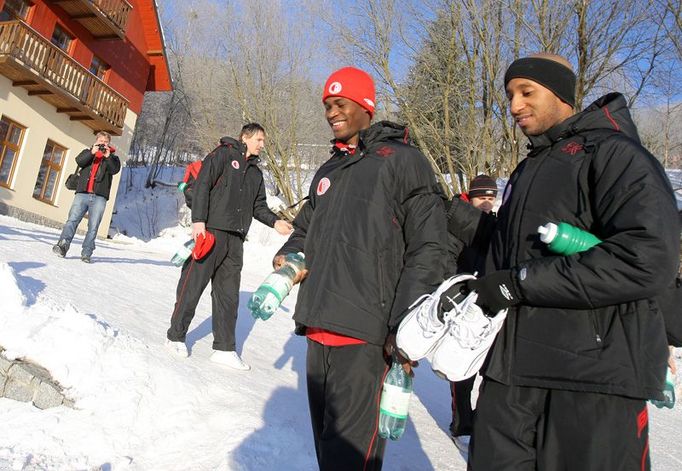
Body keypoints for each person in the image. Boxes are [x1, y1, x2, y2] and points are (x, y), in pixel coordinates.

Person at [442, 53, 680, 470]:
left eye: (526, 92)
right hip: (511, 379)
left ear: (561, 94)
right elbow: (511, 251)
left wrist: (519, 283)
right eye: (510, 94)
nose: (514, 105)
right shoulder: (528, 168)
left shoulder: (613, 154)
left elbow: (646, 257)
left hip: (591, 383)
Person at [273, 67, 447, 470]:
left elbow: (429, 248)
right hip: (318, 329)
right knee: (328, 455)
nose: (332, 112)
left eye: (340, 103)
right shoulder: (328, 170)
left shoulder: (404, 161)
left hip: (366, 337)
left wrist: (404, 327)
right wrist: (290, 254)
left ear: (366, 106)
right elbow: (305, 230)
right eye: (327, 106)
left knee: (349, 461)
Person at [165, 123, 293, 370]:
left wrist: (275, 222)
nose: (262, 144)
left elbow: (258, 207)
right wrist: (199, 221)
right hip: (211, 232)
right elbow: (202, 184)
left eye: (263, 140)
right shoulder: (222, 154)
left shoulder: (256, 173)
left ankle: (224, 348)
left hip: (236, 240)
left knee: (228, 296)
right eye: (259, 139)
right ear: (245, 137)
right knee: (192, 286)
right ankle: (175, 336)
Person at [446, 174, 497, 453]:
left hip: (490, 307)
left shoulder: (498, 225)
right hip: (463, 303)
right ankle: (462, 424)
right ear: (471, 197)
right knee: (462, 371)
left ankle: (482, 420)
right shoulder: (458, 224)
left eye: (491, 197)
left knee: (490, 368)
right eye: (481, 197)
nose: (487, 202)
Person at [52, 131, 121, 263]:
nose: (103, 144)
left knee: (93, 226)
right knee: (72, 220)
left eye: (105, 142)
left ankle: (86, 253)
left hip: (99, 197)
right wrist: (92, 152)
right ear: (96, 141)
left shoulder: (113, 158)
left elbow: (114, 170)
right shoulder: (88, 152)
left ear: (109, 144)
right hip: (82, 193)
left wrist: (107, 156)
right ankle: (62, 246)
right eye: (101, 141)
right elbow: (79, 161)